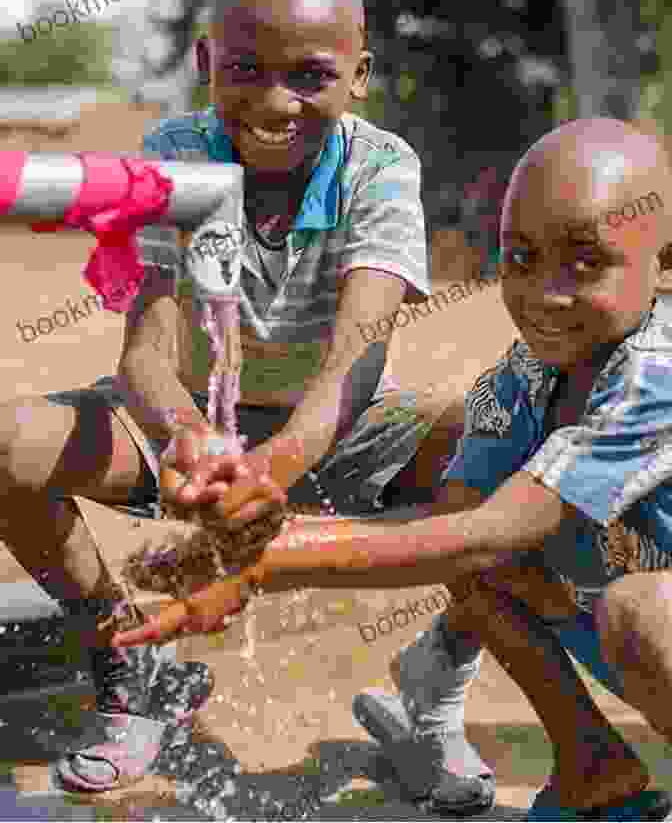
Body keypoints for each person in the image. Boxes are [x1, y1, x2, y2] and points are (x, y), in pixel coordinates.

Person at [0, 0, 496, 798]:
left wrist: (279, 465)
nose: (276, 102)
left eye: (309, 75)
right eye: (245, 71)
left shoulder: (380, 167)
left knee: (500, 439)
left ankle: (434, 693)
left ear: (359, 74)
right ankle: (130, 663)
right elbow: (146, 350)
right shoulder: (176, 153)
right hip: (193, 425)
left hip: (337, 429)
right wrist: (188, 433)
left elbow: (356, 353)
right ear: (205, 63)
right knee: (8, 442)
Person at [124, 117, 672, 820]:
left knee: (639, 611)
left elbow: (497, 526)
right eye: (522, 258)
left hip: (649, 623)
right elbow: (453, 526)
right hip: (619, 622)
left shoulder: (655, 376)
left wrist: (263, 563)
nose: (544, 294)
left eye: (586, 262)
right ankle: (591, 765)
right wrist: (250, 545)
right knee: (473, 552)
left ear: (663, 265)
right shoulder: (523, 377)